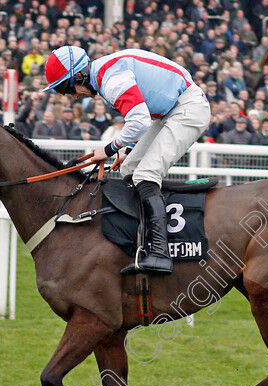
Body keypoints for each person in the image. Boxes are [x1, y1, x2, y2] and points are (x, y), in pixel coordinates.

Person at [44, 46, 211, 274]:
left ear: (80, 75)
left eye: (68, 88)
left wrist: (110, 148)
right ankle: (141, 239)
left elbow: (139, 121)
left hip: (186, 108)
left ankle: (160, 253)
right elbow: (142, 115)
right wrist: (129, 150)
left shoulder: (111, 80)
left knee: (145, 175)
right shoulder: (105, 74)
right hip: (170, 111)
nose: (73, 96)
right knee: (130, 169)